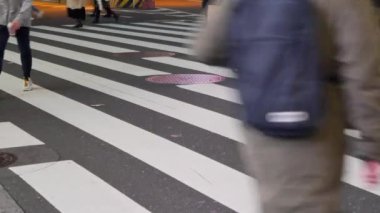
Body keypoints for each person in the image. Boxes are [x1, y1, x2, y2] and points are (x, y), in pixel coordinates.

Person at [228, 0, 380, 212]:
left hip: (262, 127)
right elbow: (364, 79)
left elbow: (208, 49)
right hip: (320, 129)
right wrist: (373, 147)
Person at [0, 0, 33, 91]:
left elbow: (27, 3)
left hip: (21, 22)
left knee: (24, 50)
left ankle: (27, 78)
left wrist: (19, 19)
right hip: (2, 21)